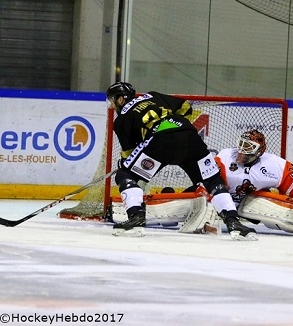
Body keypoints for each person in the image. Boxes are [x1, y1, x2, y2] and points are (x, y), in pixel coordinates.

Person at [105, 81, 257, 240]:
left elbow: (128, 153)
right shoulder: (152, 96)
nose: (112, 105)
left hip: (160, 141)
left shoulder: (121, 120)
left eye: (113, 100)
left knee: (124, 175)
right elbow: (185, 106)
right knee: (212, 180)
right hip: (189, 135)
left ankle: (136, 217)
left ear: (121, 99)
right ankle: (233, 222)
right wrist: (175, 125)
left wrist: (124, 164)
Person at [213, 129, 293, 238]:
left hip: (249, 206)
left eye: (248, 146)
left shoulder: (275, 164)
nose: (241, 149)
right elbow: (209, 182)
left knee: (264, 202)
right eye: (241, 144)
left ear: (259, 150)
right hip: (221, 203)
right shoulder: (225, 156)